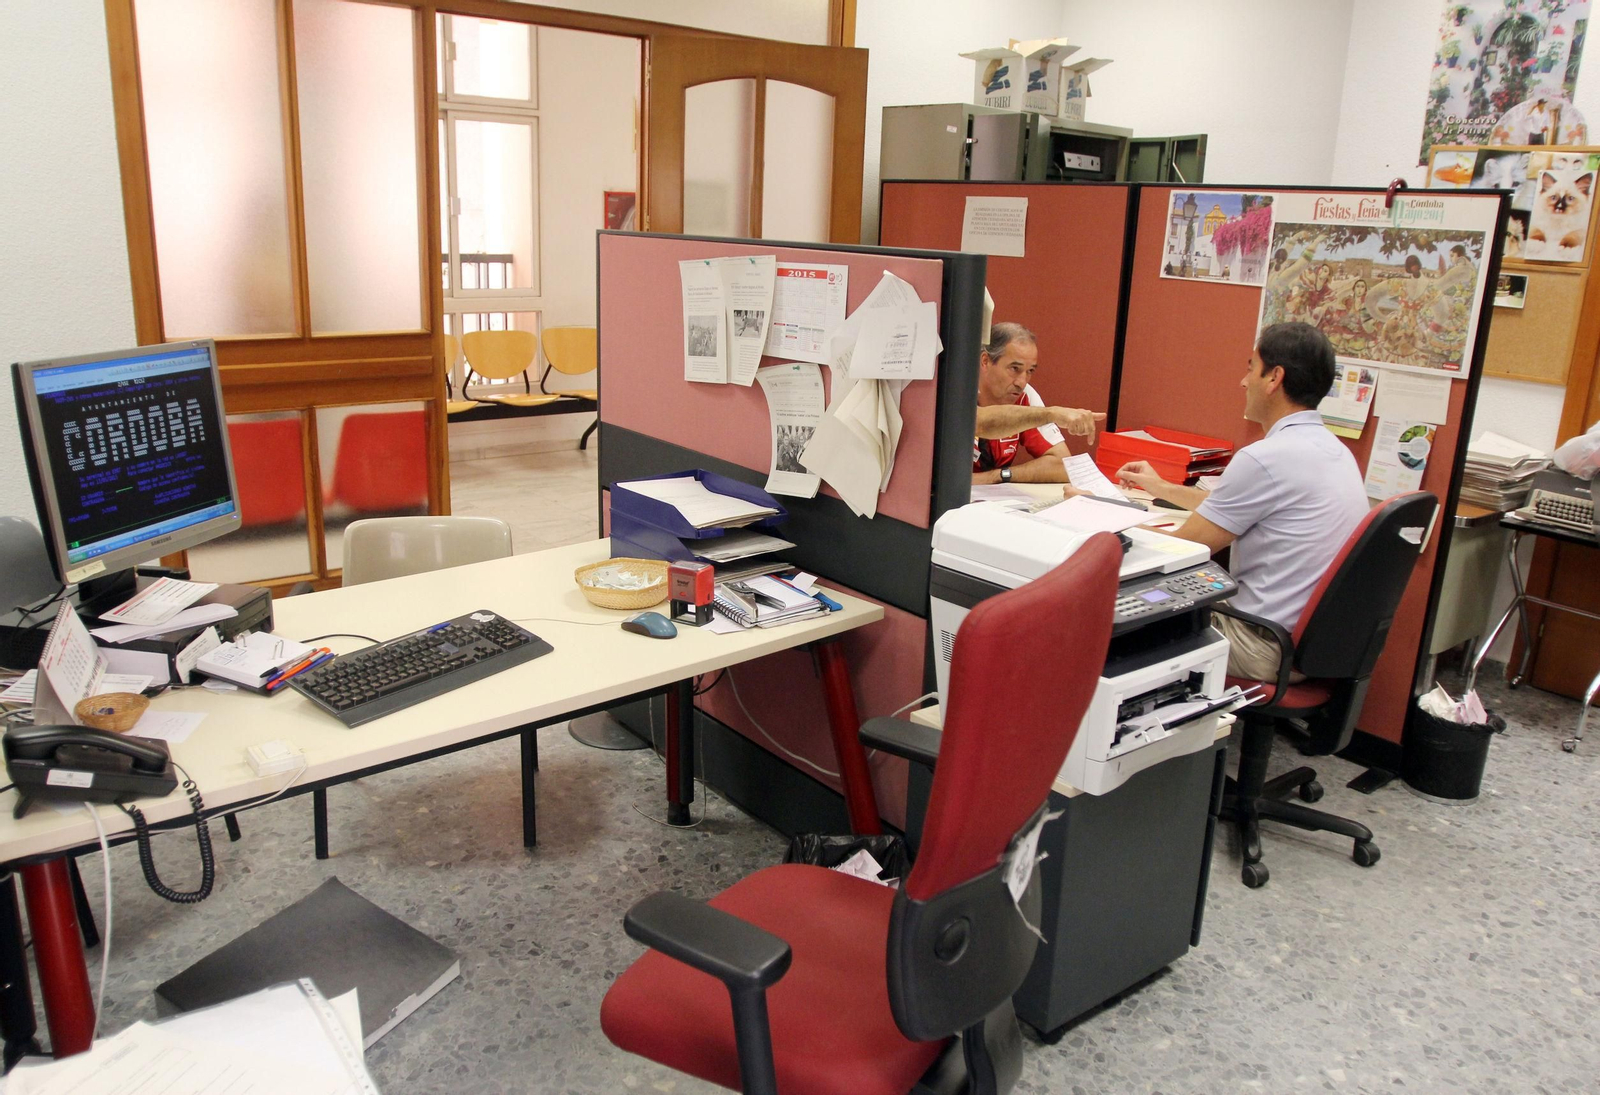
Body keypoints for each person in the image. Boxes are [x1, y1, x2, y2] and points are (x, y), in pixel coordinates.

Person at [1113, 322, 1368, 680]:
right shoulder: (1334, 452)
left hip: (1260, 643)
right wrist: (1161, 488)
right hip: (1320, 646)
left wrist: (1106, 519)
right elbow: (1231, 506)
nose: (1243, 381)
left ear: (1274, 378)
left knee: (1119, 625)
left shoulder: (1266, 457)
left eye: (1251, 367)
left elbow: (1183, 547)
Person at [972, 322, 1104, 485]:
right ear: (985, 361)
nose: (1021, 382)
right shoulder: (955, 390)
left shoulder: (1025, 395)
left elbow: (1062, 464)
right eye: (1014, 368)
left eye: (1030, 371)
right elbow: (981, 423)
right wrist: (1051, 414)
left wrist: (999, 476)